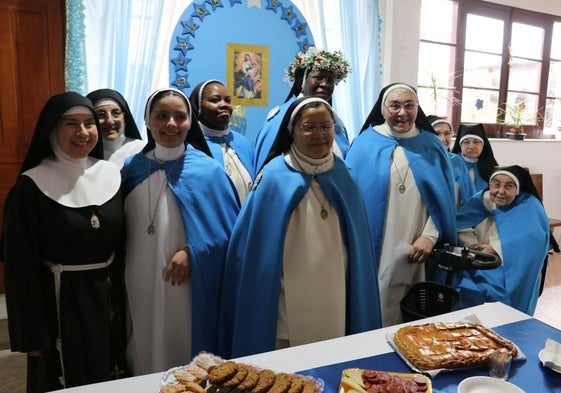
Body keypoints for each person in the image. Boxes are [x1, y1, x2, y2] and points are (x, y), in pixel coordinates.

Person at [220, 96, 381, 357]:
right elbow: (251, 252)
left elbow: (359, 250)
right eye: (309, 127)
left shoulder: (346, 176)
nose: (319, 135)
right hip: (283, 300)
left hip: (335, 296)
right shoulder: (273, 176)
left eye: (326, 127)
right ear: (291, 131)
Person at [1, 92, 127, 391]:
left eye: (89, 123)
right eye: (71, 124)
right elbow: (20, 267)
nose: (82, 133)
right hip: (58, 303)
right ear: (52, 129)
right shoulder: (31, 186)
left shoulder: (111, 174)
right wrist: (31, 333)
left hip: (109, 298)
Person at [121, 87, 239, 375]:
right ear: (147, 121)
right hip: (140, 278)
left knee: (184, 346)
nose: (171, 124)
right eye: (161, 116)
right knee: (144, 341)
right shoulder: (132, 168)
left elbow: (230, 234)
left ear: (190, 121)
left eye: (179, 116)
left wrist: (192, 252)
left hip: (188, 283)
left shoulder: (208, 171)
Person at [346, 83, 457, 327]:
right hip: (376, 247)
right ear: (383, 109)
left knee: (416, 309)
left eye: (409, 105)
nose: (402, 112)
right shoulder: (364, 143)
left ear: (418, 109)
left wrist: (430, 236)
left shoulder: (432, 145)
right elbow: (350, 201)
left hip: (419, 247)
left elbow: (445, 200)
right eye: (394, 105)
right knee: (376, 304)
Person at [454, 165, 550, 315]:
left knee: (498, 299)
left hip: (509, 265)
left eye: (508, 186)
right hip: (477, 260)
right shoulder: (482, 199)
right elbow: (458, 223)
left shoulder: (529, 205)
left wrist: (495, 248)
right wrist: (472, 245)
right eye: (496, 185)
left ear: (517, 190)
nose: (501, 191)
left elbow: (532, 239)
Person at [253, 47, 351, 172]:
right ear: (302, 81)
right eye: (318, 77)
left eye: (330, 80)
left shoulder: (335, 119)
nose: (325, 84)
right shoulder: (281, 117)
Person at [189, 79, 255, 204]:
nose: (224, 104)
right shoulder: (192, 145)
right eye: (215, 100)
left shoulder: (241, 142)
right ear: (198, 106)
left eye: (228, 100)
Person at [86, 88, 145, 168]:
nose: (110, 121)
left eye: (116, 113)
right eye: (100, 115)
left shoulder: (143, 151)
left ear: (124, 117)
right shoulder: (84, 156)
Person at [427, 115, 476, 208]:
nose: (442, 139)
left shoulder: (456, 162)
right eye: (437, 133)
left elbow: (470, 199)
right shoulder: (419, 162)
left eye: (447, 133)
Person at [451, 122, 499, 192]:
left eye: (476, 142)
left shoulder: (490, 166)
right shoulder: (451, 164)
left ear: (483, 145)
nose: (471, 147)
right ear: (460, 145)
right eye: (466, 142)